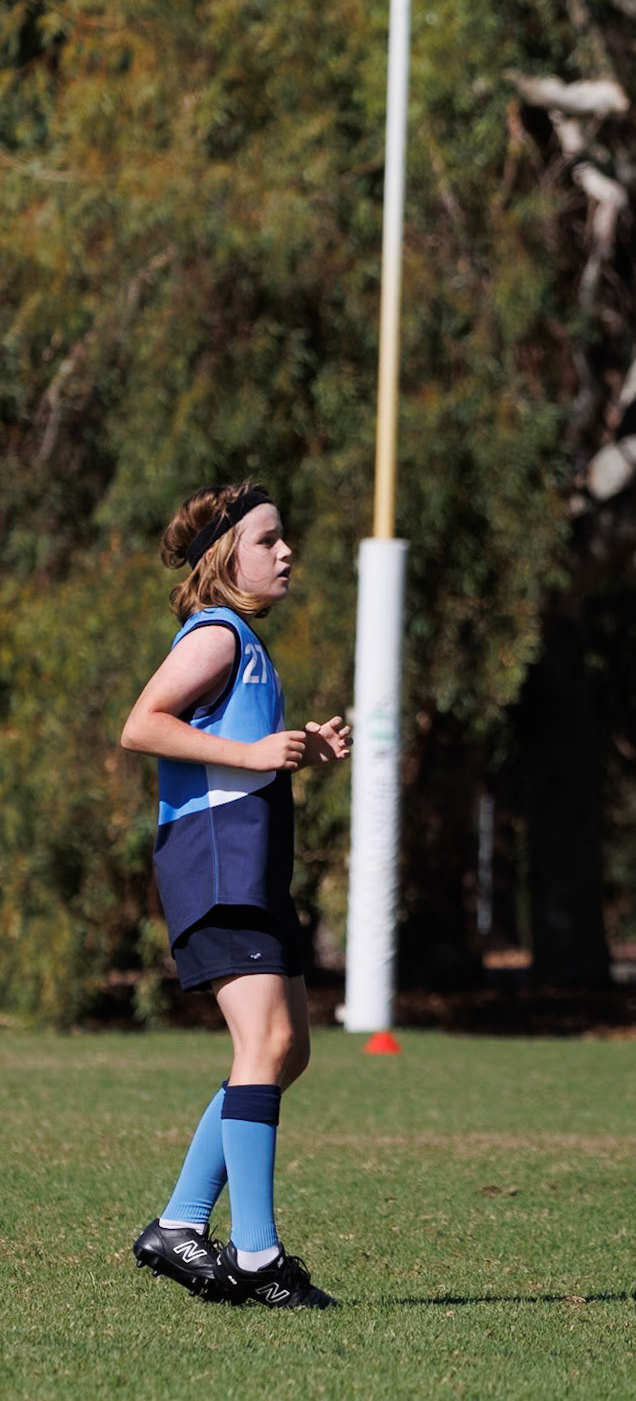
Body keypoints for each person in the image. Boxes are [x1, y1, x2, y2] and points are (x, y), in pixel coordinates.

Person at [122, 482, 350, 1309]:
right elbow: (142, 724)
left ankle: (180, 1225)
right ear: (225, 556)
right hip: (217, 867)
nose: (285, 552)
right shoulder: (216, 634)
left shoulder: (244, 642)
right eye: (267, 539)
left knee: (288, 1052)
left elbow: (231, 742)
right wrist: (253, 755)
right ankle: (256, 1256)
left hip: (251, 868)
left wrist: (293, 751)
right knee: (266, 1044)